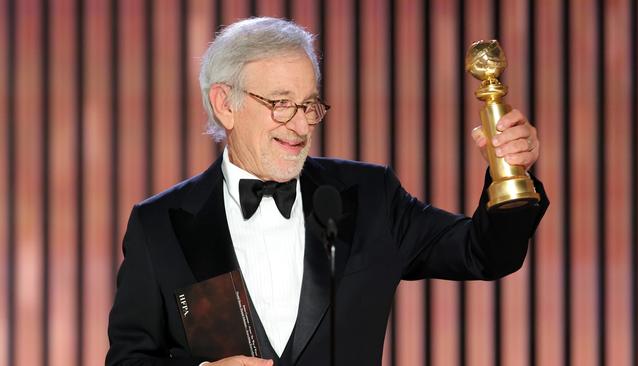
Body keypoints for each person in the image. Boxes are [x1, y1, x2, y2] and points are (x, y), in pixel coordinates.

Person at [106, 17, 548, 366]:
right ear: (226, 104)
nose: (300, 125)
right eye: (280, 104)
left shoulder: (371, 197)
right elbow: (128, 361)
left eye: (309, 105)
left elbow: (485, 253)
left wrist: (510, 173)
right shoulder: (159, 224)